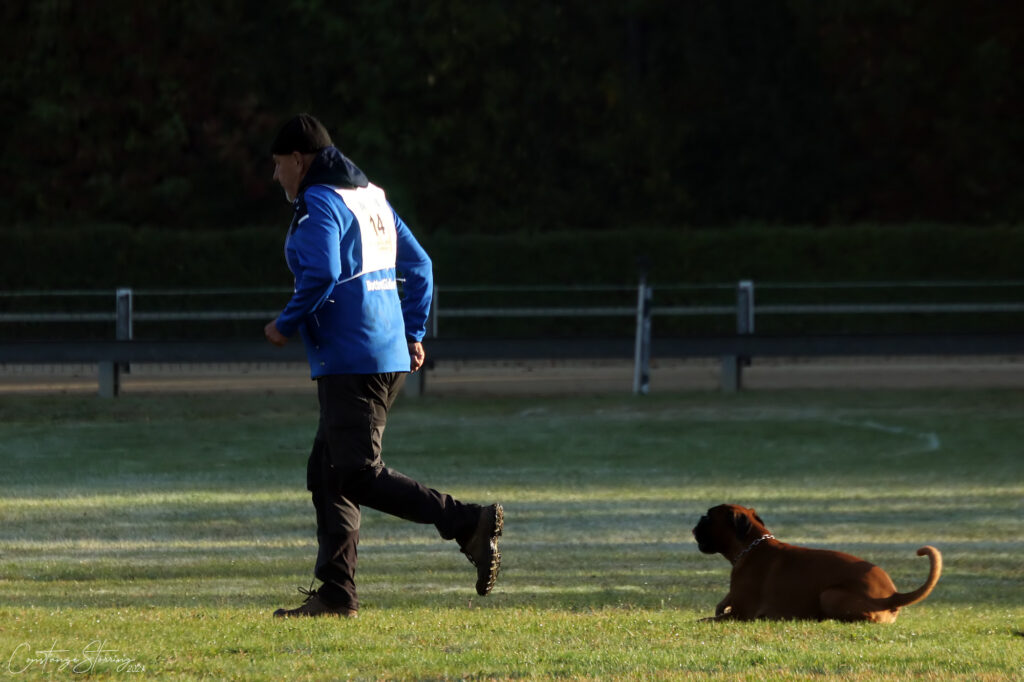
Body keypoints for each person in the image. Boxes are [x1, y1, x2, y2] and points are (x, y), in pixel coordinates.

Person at [264, 113, 502, 618]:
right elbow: (420, 265)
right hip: (384, 355)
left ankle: (467, 522)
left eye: (278, 164)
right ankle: (335, 594)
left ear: (298, 161)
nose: (277, 175)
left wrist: (286, 322)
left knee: (355, 473)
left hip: (352, 360)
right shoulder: (370, 196)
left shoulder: (320, 203)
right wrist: (413, 332)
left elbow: (324, 270)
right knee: (328, 472)